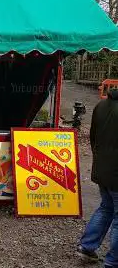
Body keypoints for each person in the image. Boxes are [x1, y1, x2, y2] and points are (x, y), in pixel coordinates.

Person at [77, 88, 118, 268]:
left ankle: (87, 247)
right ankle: (113, 260)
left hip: (102, 168)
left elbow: (93, 137)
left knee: (106, 208)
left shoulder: (101, 105)